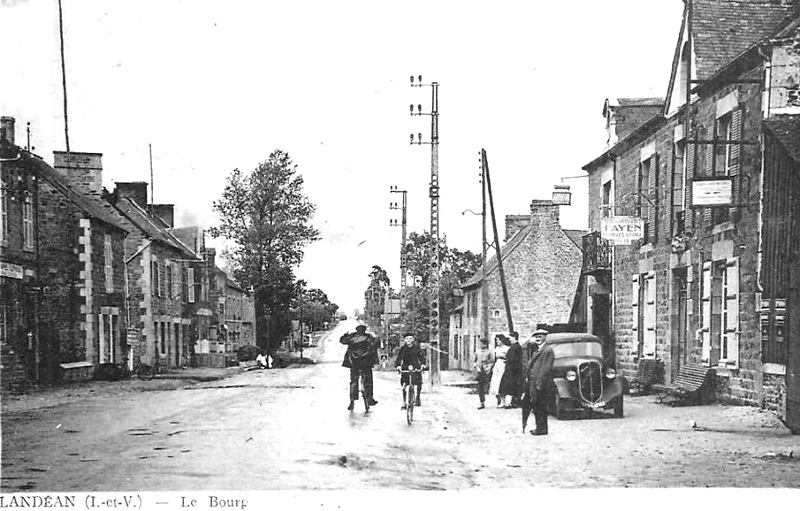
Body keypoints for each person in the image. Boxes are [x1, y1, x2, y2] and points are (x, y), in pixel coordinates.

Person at [340, 324, 379, 410]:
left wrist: (345, 335)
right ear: (364, 330)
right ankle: (370, 399)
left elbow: (342, 341)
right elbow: (376, 345)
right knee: (368, 381)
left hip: (354, 363)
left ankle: (352, 401)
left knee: (353, 381)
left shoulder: (352, 337)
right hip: (366, 363)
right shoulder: (368, 337)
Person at [526, 329, 555, 436]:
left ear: (545, 338)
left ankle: (542, 429)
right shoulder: (539, 349)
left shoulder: (547, 350)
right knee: (537, 406)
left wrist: (539, 383)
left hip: (541, 384)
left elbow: (545, 369)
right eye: (536, 337)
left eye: (540, 337)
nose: (538, 339)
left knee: (540, 406)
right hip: (535, 382)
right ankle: (539, 427)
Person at [395, 332, 426, 409]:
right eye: (407, 338)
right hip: (405, 367)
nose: (408, 340)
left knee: (418, 383)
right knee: (404, 386)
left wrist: (423, 364)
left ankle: (418, 398)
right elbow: (399, 358)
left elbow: (421, 357)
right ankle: (404, 402)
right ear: (405, 340)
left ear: (413, 339)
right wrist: (398, 366)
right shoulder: (403, 348)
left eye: (410, 338)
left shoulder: (416, 348)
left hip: (415, 367)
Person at [499, 331, 524, 408]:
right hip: (510, 370)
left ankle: (510, 403)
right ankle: (508, 402)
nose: (509, 340)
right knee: (506, 386)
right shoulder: (513, 347)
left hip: (513, 371)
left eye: (510, 338)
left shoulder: (516, 347)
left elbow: (515, 360)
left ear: (514, 337)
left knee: (510, 387)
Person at [473, 337, 495, 409]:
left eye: (481, 343)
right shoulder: (477, 351)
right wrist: (476, 366)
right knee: (480, 387)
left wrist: (489, 367)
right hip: (479, 370)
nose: (480, 345)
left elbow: (492, 360)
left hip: (487, 370)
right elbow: (474, 360)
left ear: (485, 344)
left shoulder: (489, 351)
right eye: (479, 343)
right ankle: (482, 402)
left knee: (488, 385)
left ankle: (498, 399)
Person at [489, 335, 509, 407]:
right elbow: (494, 358)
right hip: (497, 365)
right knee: (496, 382)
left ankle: (504, 401)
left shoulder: (506, 348)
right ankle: (499, 399)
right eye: (496, 340)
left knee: (502, 383)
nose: (497, 342)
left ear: (502, 340)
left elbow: (508, 357)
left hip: (503, 365)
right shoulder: (496, 349)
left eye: (499, 340)